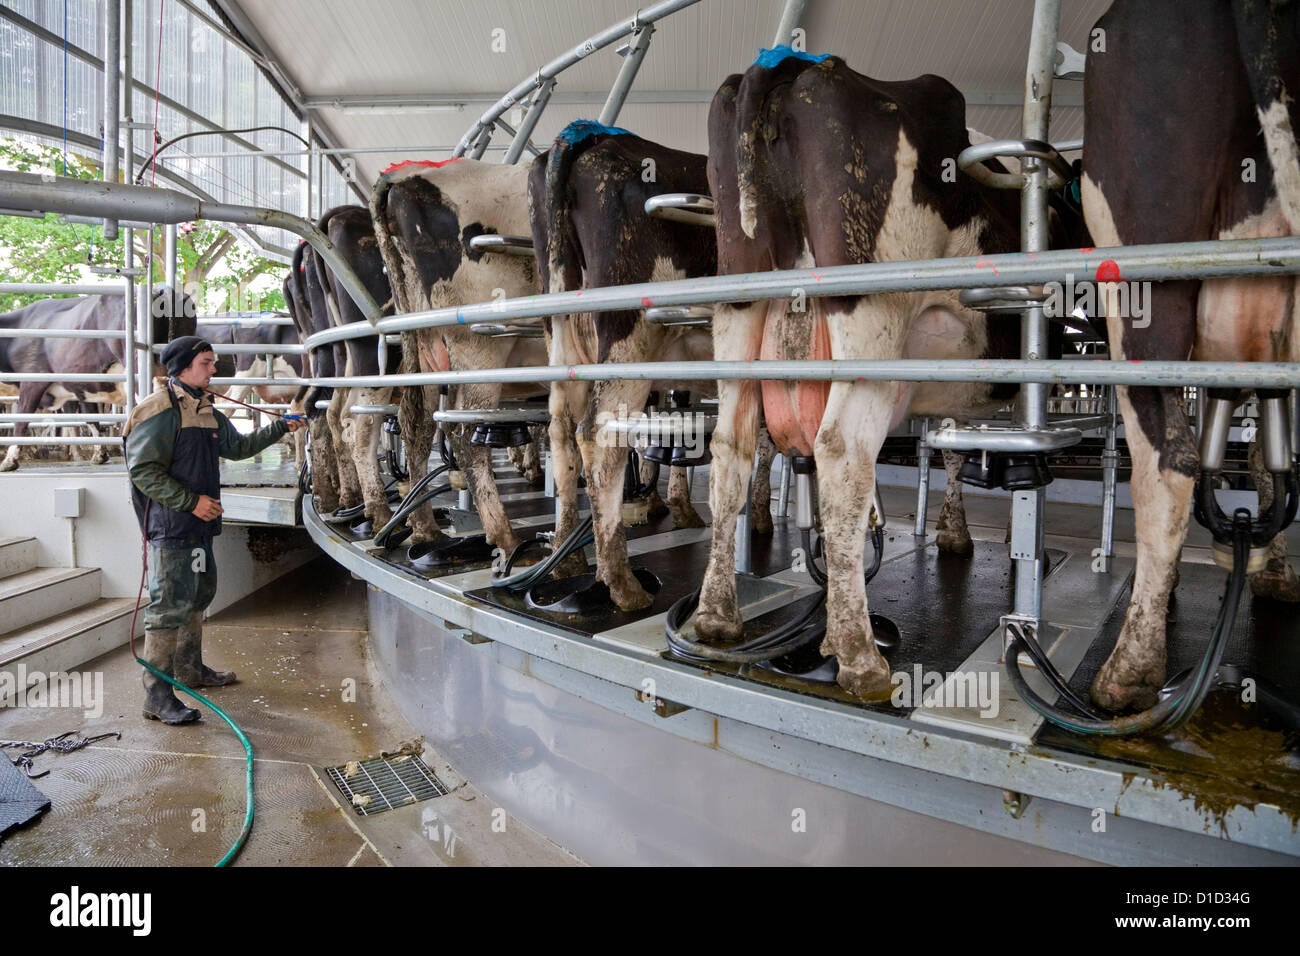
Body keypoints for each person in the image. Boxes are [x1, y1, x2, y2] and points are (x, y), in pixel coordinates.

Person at [123, 336, 304, 724]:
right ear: (184, 367)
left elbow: (237, 448)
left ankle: (190, 670)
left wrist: (280, 427)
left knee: (199, 595)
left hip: (200, 527)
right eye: (207, 362)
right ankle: (156, 694)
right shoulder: (157, 411)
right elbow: (142, 472)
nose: (214, 369)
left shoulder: (206, 408)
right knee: (168, 605)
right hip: (173, 526)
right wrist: (192, 502)